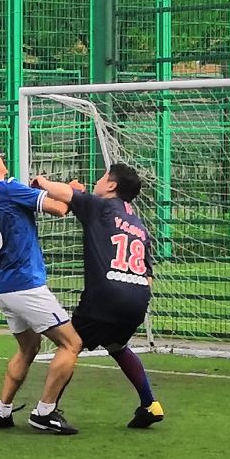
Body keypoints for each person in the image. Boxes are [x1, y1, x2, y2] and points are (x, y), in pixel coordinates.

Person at [0, 142, 82, 435]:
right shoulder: (8, 189)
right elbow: (59, 208)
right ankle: (45, 412)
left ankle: (1, 412)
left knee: (28, 348)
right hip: (26, 284)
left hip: (2, 288)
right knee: (71, 344)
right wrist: (72, 192)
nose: (1, 156)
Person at [29, 162, 165, 430]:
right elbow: (148, 274)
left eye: (103, 176)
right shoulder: (139, 225)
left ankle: (45, 411)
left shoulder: (101, 206)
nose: (99, 180)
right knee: (117, 345)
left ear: (111, 185)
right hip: (137, 299)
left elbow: (65, 194)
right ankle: (150, 404)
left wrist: (41, 182)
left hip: (106, 297)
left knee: (70, 345)